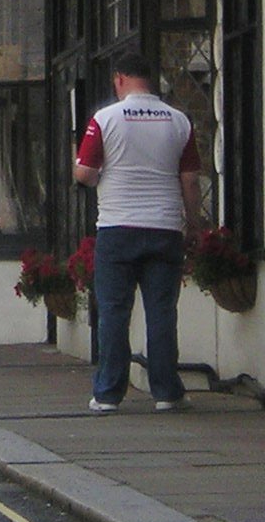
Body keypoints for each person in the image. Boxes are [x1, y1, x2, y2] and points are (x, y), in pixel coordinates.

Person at [75, 49, 201, 412]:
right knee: (162, 311)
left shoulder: (105, 118)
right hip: (164, 227)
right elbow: (190, 180)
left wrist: (93, 173)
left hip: (117, 228)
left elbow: (84, 173)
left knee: (114, 311)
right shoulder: (179, 121)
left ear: (119, 79)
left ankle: (108, 394)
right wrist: (193, 225)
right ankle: (166, 392)